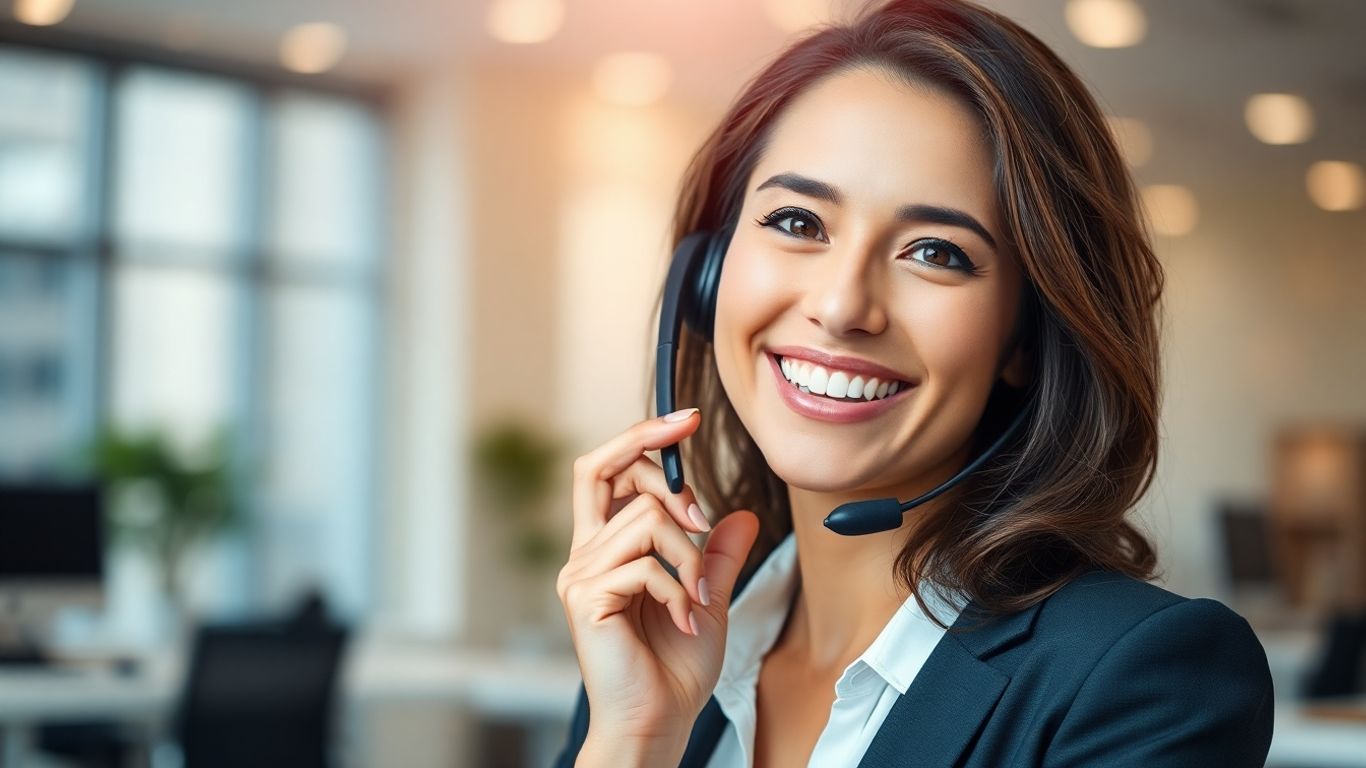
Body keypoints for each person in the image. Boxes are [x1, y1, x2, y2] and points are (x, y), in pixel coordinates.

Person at [552, 0, 1274, 765]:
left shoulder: (1144, 682)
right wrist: (633, 739)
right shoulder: (657, 646)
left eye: (936, 251)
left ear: (1029, 337)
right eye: (798, 223)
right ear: (706, 276)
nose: (840, 307)